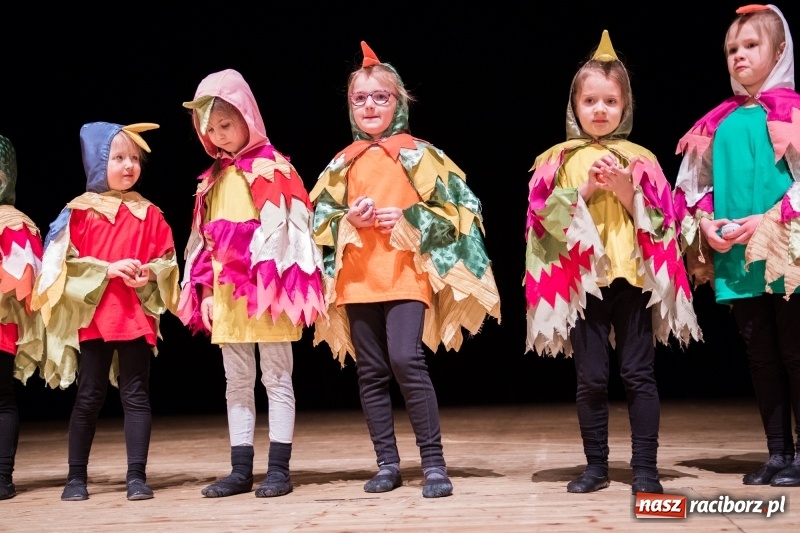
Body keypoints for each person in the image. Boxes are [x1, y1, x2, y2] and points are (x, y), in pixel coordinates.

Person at [310, 42, 501, 498]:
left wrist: (411, 218)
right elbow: (317, 219)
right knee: (371, 370)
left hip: (404, 271)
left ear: (400, 102)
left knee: (405, 360)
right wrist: (345, 220)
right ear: (349, 106)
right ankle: (387, 463)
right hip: (357, 277)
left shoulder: (420, 155)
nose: (370, 105)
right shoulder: (341, 163)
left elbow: (462, 211)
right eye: (361, 98)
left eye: (381, 97)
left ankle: (433, 463)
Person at [524, 31, 701, 495]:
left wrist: (625, 189)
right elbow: (541, 221)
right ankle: (596, 466)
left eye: (610, 101)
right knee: (592, 377)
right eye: (590, 101)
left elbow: (666, 222)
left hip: (633, 278)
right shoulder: (556, 160)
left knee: (638, 374)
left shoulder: (641, 158)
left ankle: (645, 468)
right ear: (575, 105)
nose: (600, 110)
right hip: (584, 284)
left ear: (625, 106)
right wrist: (583, 191)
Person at [178, 69, 325, 499]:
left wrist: (236, 239)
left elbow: (292, 236)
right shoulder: (213, 180)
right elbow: (203, 243)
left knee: (277, 378)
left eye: (227, 124)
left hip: (268, 292)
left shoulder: (274, 168)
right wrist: (203, 290)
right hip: (226, 296)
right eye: (212, 130)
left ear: (248, 116)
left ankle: (278, 469)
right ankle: (240, 469)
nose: (220, 136)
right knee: (236, 382)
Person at [675, 4, 800, 488]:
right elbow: (694, 185)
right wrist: (704, 221)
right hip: (736, 253)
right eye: (732, 48)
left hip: (786, 250)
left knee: (794, 349)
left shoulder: (792, 114)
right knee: (760, 353)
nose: (739, 56)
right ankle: (777, 453)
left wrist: (768, 220)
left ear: (780, 51)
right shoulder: (717, 122)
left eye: (751, 46)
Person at [32, 122, 180, 501]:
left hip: (134, 317)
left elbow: (167, 263)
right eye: (117, 157)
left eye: (134, 158)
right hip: (96, 319)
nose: (129, 165)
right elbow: (61, 265)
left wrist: (149, 274)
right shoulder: (79, 213)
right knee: (89, 395)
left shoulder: (150, 213)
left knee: (136, 394)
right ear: (97, 162)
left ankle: (136, 476)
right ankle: (76, 477)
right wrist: (106, 269)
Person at [0, 134, 44, 500]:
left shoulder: (15, 223)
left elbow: (27, 282)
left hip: (0, 327)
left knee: (2, 400)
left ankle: (2, 476)